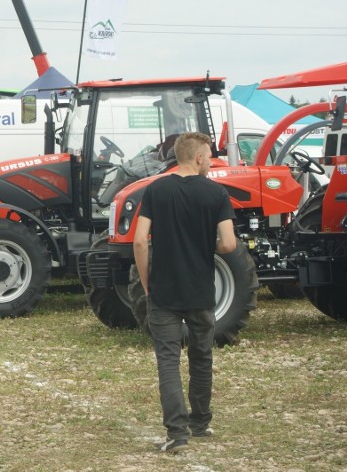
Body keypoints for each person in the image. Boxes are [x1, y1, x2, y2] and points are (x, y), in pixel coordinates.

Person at [132, 132, 236, 453]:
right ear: (199, 157)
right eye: (209, 156)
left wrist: (147, 283)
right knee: (201, 356)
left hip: (164, 290)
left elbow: (139, 241)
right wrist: (208, 245)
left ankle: (177, 433)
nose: (210, 161)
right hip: (201, 291)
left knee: (168, 360)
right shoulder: (216, 193)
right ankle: (200, 422)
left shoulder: (155, 189)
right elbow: (229, 244)